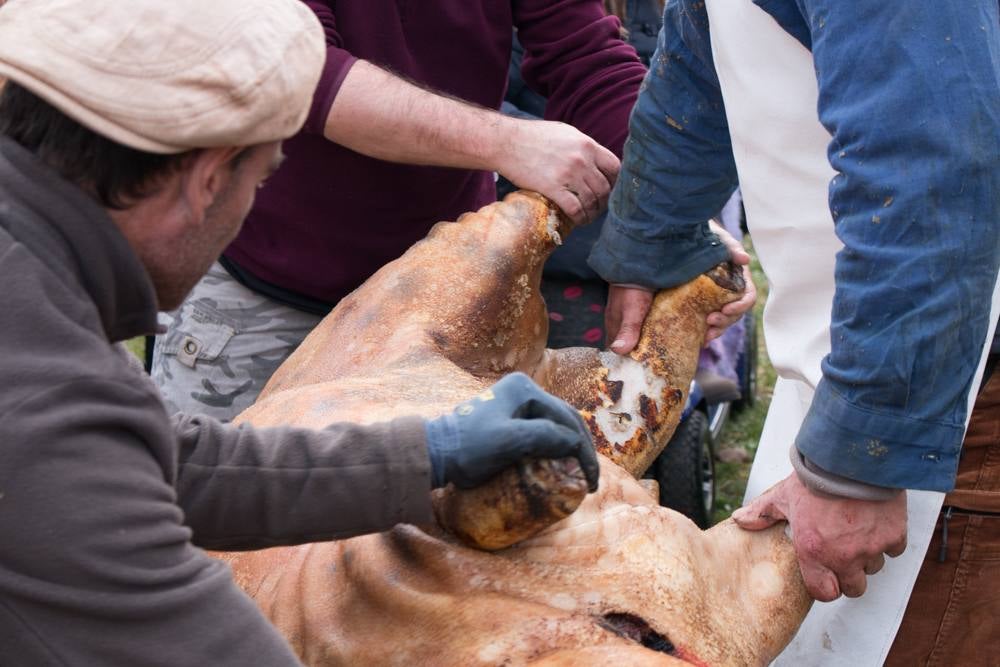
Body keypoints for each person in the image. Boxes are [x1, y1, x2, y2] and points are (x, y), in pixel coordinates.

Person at [0, 2, 600, 664]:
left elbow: (168, 466)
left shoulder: (34, 296)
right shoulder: (49, 404)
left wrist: (429, 451)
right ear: (207, 181)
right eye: (260, 179)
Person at [587, 0, 1000, 663]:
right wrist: (648, 240)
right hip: (852, 357)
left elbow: (932, 181)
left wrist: (861, 464)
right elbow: (700, 57)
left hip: (946, 397)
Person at [150, 0, 653, 421]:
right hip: (268, 290)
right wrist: (506, 140)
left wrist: (670, 216)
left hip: (446, 304)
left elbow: (588, 58)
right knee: (206, 519)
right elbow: (302, 69)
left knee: (430, 531)